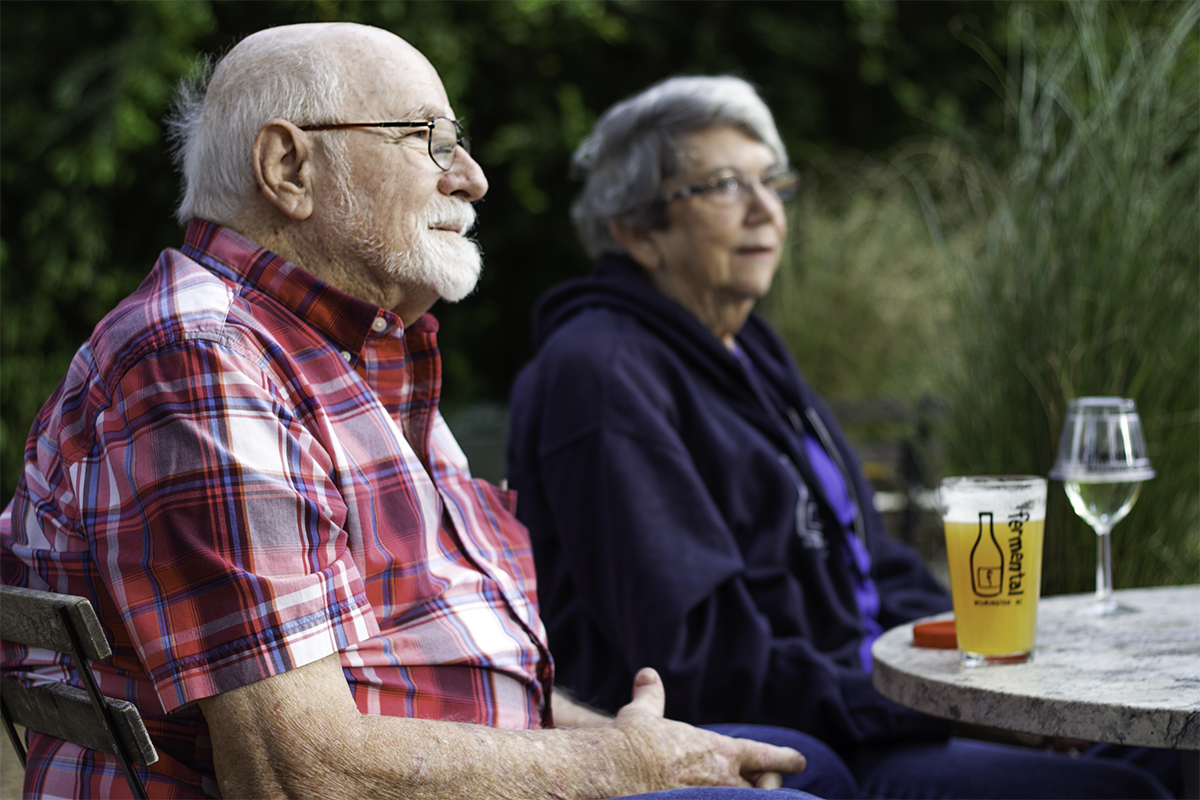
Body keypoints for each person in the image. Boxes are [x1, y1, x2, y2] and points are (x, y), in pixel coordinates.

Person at [0, 26, 848, 800]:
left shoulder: (351, 353)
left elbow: (444, 671)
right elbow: (300, 774)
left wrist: (638, 743)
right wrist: (620, 768)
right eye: (427, 139)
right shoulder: (200, 361)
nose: (471, 175)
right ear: (289, 169)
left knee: (809, 766)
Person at [505, 75, 1176, 800]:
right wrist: (921, 707)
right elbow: (702, 656)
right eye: (727, 187)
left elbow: (875, 561)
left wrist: (989, 674)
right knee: (1117, 791)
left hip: (860, 706)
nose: (767, 211)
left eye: (773, 182)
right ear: (638, 231)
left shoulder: (751, 351)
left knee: (1169, 754)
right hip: (781, 731)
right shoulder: (602, 373)